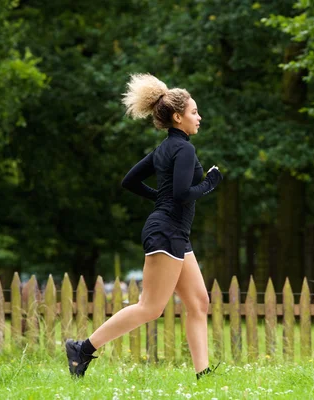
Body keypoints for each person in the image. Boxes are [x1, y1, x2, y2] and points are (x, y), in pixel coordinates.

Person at [65, 73, 223, 380]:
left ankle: (203, 374)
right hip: (167, 231)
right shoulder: (185, 150)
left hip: (173, 231)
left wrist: (159, 200)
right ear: (178, 117)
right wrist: (209, 184)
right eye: (194, 112)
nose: (199, 117)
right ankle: (82, 349)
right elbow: (181, 194)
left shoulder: (165, 149)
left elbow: (130, 181)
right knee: (150, 307)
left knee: (199, 301)